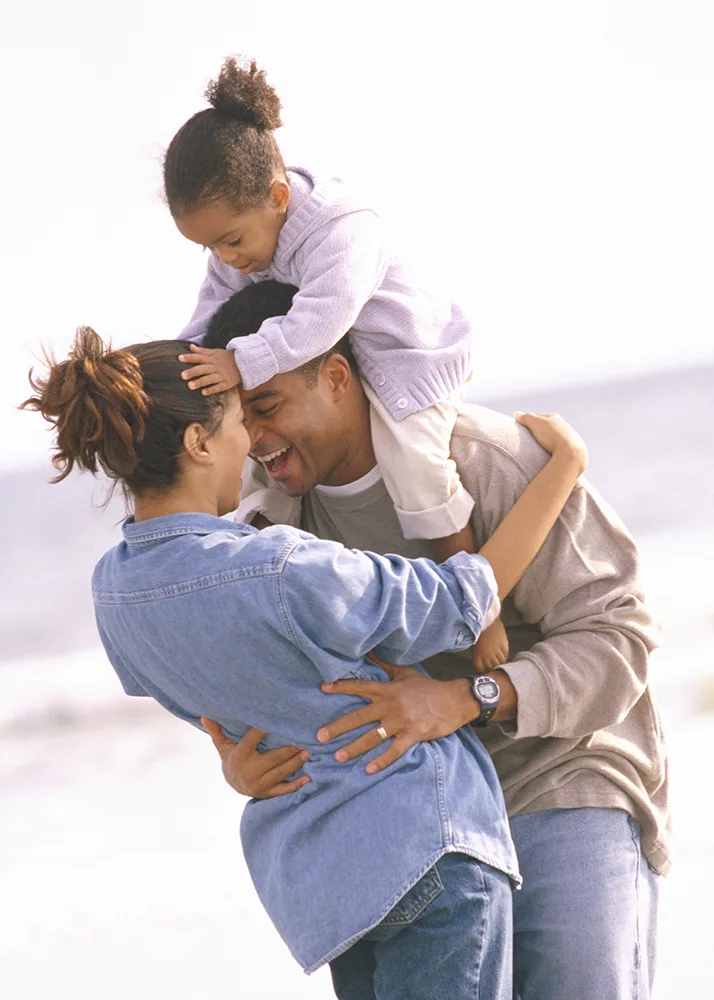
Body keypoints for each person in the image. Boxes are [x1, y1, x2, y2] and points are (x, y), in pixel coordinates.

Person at [22, 326, 588, 999]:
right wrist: (563, 468)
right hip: (426, 852)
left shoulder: (113, 592)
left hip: (326, 891)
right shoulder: (280, 567)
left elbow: (228, 705)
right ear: (198, 443)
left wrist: (234, 762)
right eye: (237, 422)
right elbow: (465, 598)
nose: (253, 445)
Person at [199, 281, 668, 1000]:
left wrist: (468, 696)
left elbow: (619, 634)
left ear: (335, 377)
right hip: (413, 816)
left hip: (560, 772)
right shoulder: (275, 532)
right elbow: (269, 685)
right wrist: (243, 761)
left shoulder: (486, 460)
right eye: (240, 416)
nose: (255, 439)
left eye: (268, 405)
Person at [163, 54, 509, 672]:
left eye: (231, 239)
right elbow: (205, 322)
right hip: (334, 370)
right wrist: (170, 373)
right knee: (259, 482)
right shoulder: (239, 243)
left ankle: (479, 613)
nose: (223, 257)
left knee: (417, 468)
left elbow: (321, 318)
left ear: (276, 197)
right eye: (209, 246)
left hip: (405, 362)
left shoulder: (343, 227)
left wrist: (240, 364)